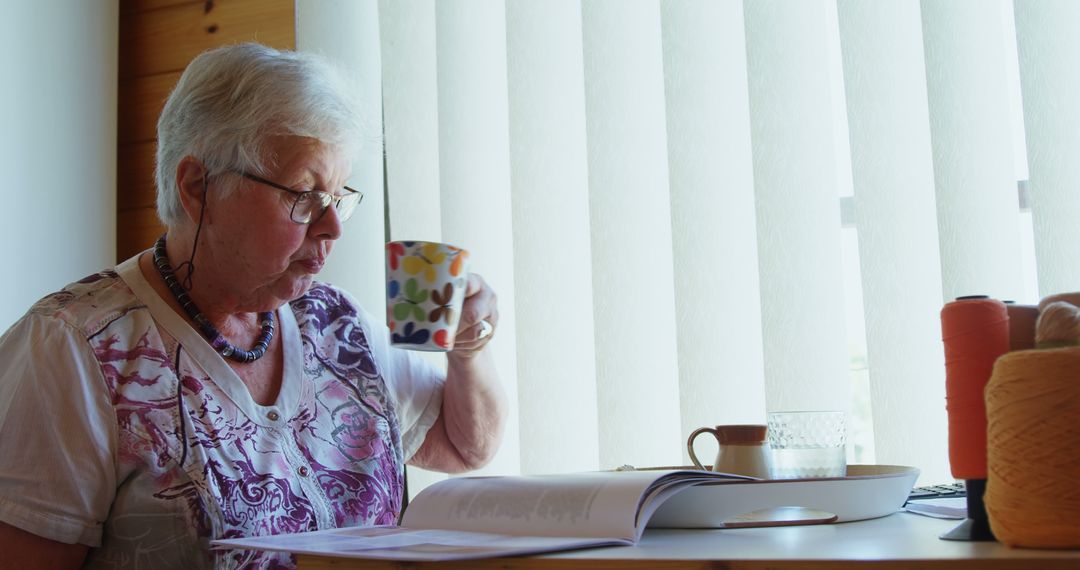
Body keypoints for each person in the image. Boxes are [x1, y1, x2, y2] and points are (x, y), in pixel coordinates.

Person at [0, 43, 506, 569]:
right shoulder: (71, 348)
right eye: (304, 195)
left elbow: (462, 446)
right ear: (199, 188)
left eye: (337, 198)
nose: (332, 227)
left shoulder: (337, 326)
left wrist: (468, 349)